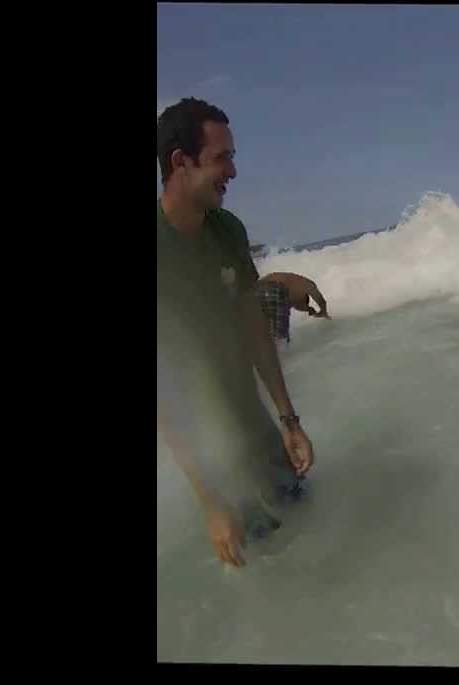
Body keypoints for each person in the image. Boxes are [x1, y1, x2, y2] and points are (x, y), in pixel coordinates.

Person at [156, 97, 315, 568]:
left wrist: (289, 421)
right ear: (181, 163)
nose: (234, 172)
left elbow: (253, 332)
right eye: (222, 158)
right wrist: (211, 504)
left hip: (250, 416)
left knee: (307, 523)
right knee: (262, 561)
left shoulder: (227, 231)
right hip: (208, 442)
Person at [256, 271, 330, 352]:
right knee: (281, 337)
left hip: (256, 289)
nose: (293, 306)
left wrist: (310, 309)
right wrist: (324, 311)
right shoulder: (304, 284)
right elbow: (318, 297)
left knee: (263, 333)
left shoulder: (291, 283)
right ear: (304, 296)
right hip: (275, 288)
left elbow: (298, 305)